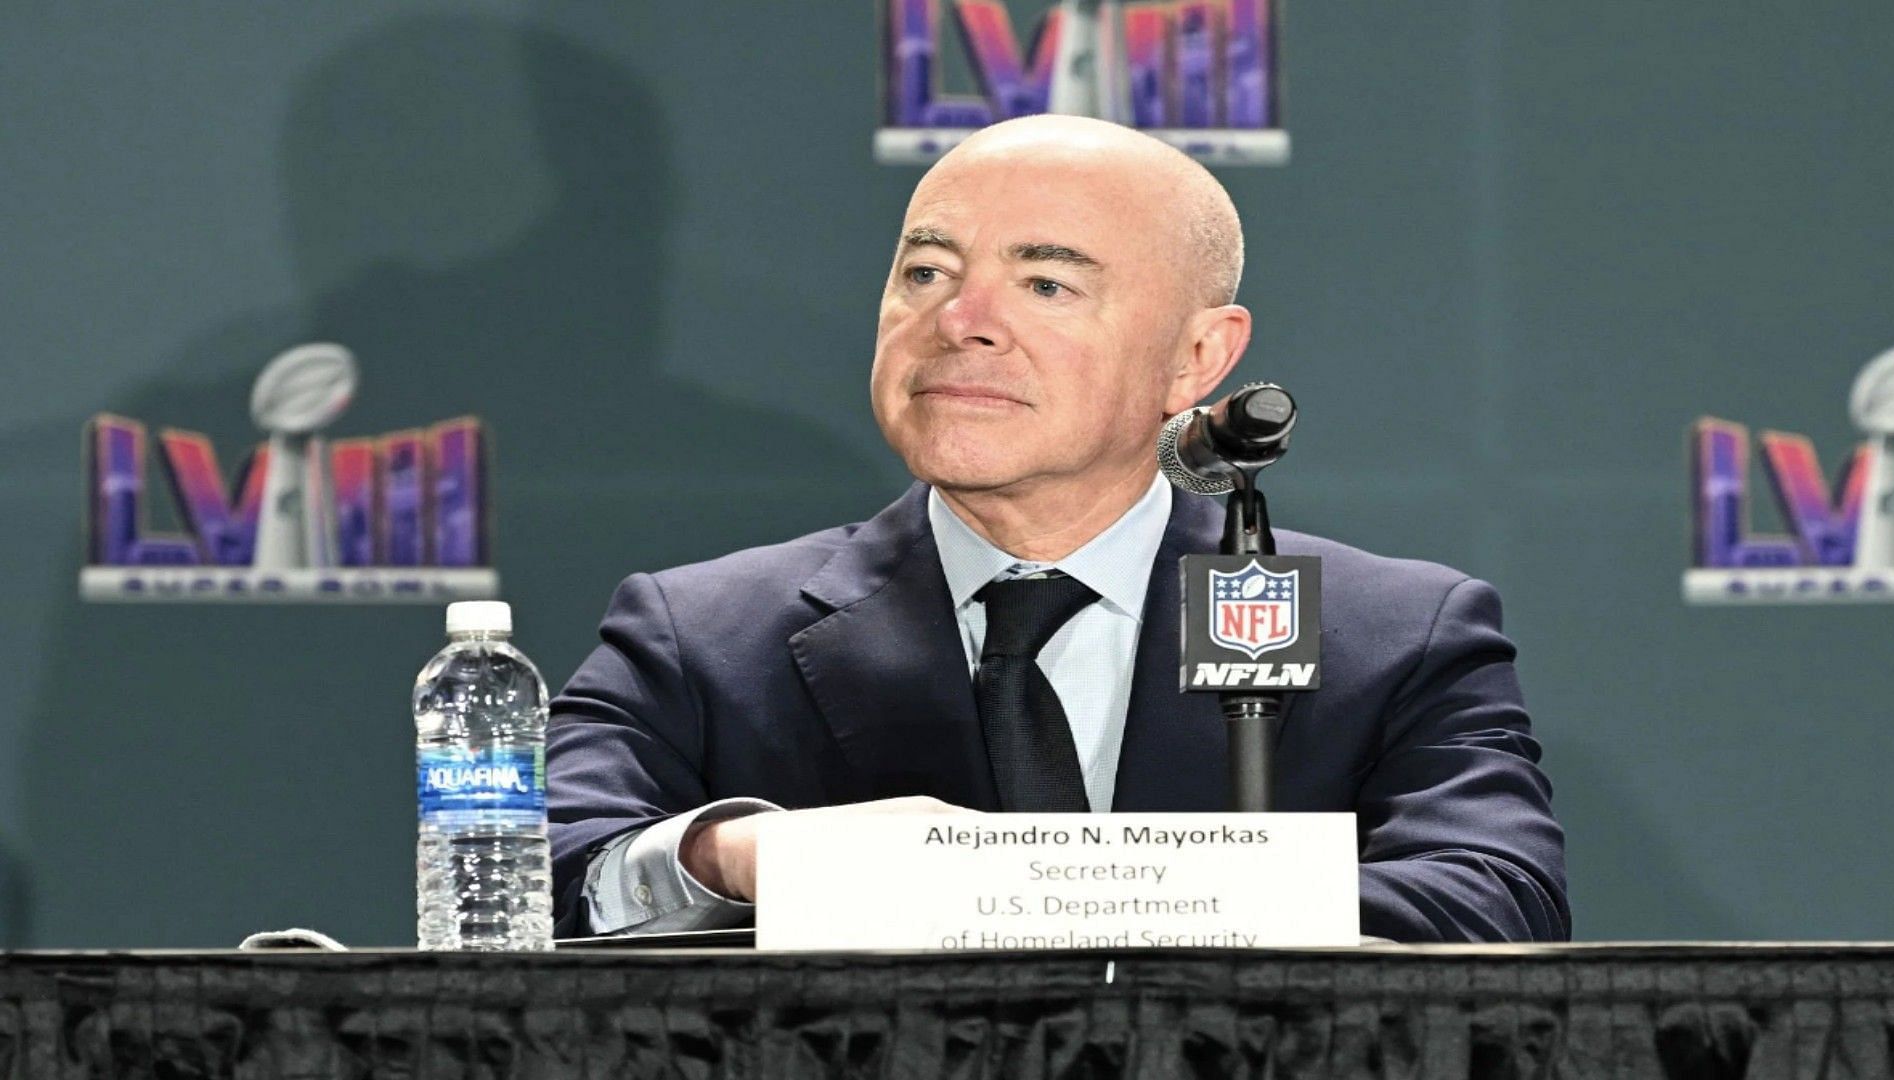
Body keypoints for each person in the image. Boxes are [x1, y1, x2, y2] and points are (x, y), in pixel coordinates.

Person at [545, 115, 1569, 943]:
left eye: (1046, 284)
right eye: (926, 273)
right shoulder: (703, 634)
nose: (960, 321)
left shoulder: (1391, 637)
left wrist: (1043, 894)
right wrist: (736, 858)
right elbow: (526, 882)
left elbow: (1493, 901)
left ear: (1198, 355)